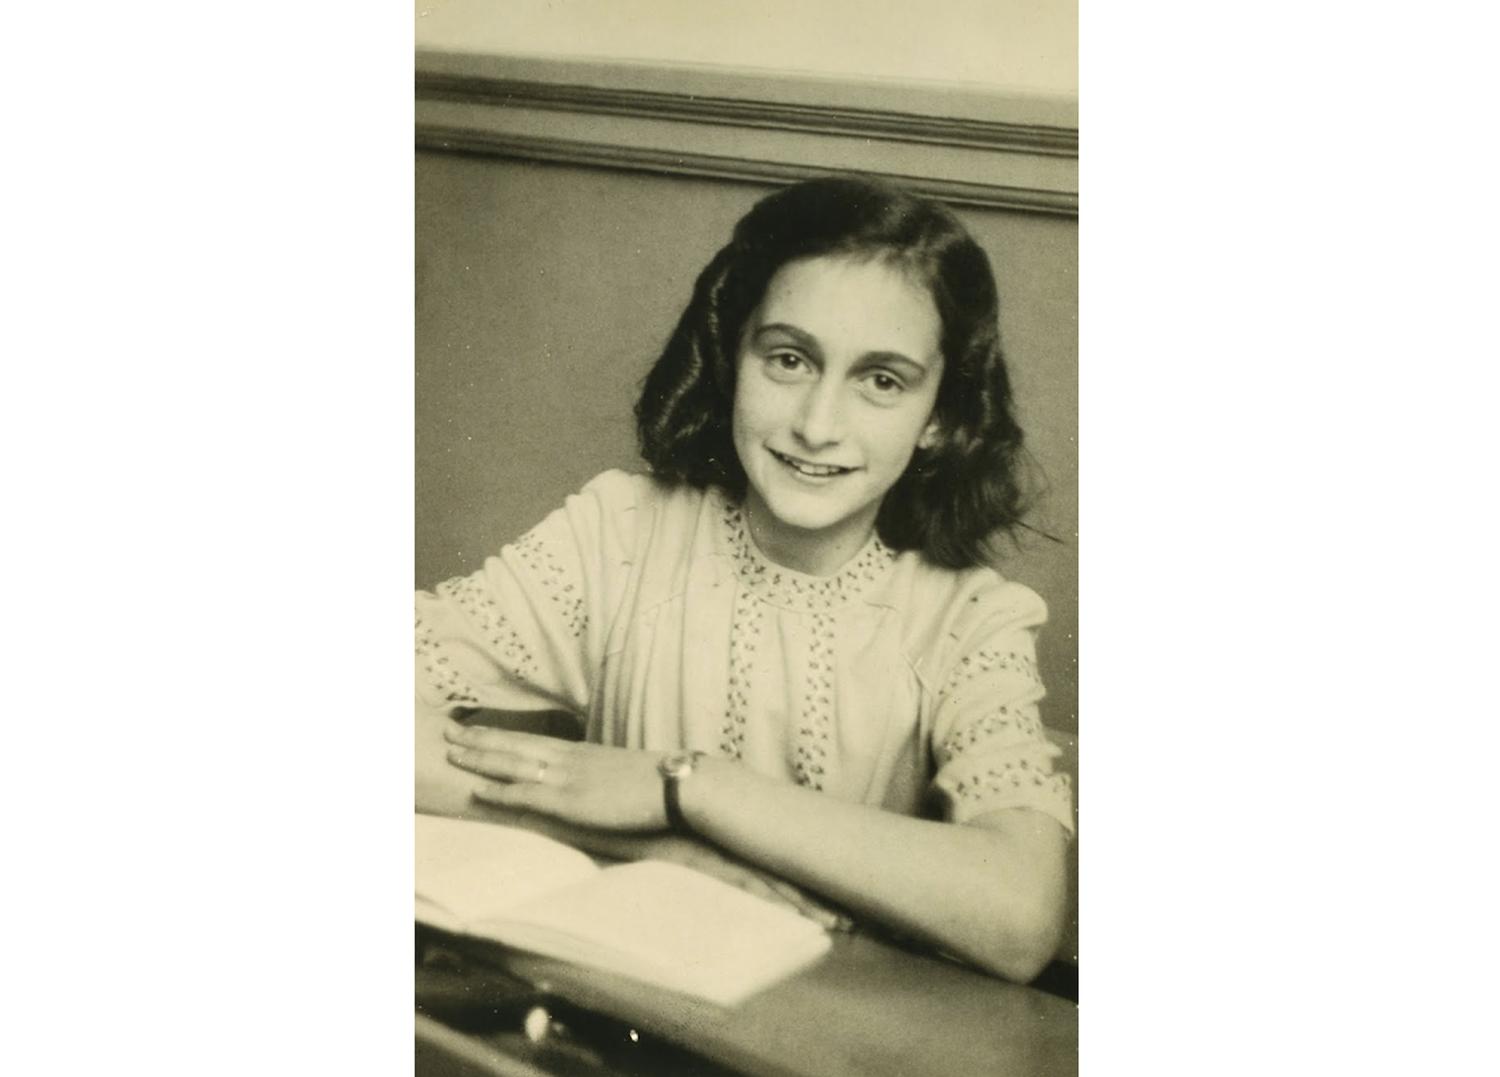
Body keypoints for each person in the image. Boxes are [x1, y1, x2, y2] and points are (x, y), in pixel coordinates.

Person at [415, 175, 1074, 983]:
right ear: (733, 357)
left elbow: (1021, 914)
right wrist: (640, 841)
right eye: (789, 359)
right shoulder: (620, 534)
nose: (818, 424)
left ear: (941, 416)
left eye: (882, 380)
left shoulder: (969, 617)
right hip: (620, 985)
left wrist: (690, 788)